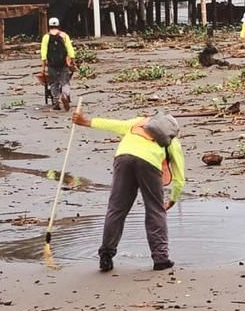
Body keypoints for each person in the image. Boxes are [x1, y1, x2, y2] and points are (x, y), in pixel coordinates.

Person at [71, 109, 186, 272]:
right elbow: (179, 178)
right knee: (155, 210)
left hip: (123, 158)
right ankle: (161, 259)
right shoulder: (172, 140)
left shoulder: (138, 123)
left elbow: (113, 124)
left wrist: (86, 122)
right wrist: (173, 198)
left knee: (116, 209)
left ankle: (106, 256)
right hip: (149, 163)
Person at [40, 18, 77, 111]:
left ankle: (57, 101)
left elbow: (43, 54)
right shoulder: (64, 35)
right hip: (63, 63)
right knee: (65, 82)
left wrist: (43, 67)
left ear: (49, 26)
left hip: (51, 64)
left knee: (53, 83)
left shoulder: (46, 37)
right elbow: (70, 50)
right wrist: (73, 61)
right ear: (58, 25)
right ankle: (65, 95)